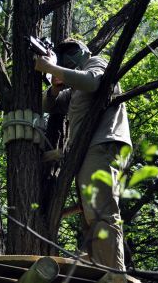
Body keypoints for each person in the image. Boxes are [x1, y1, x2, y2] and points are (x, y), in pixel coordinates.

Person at [35, 38, 131, 279]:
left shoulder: (97, 62)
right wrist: (55, 84)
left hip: (101, 145)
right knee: (91, 216)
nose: (68, 56)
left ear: (85, 51)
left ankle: (114, 275)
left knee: (102, 214)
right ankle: (101, 271)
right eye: (63, 53)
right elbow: (48, 104)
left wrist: (52, 69)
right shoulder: (74, 88)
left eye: (72, 50)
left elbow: (92, 82)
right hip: (86, 151)